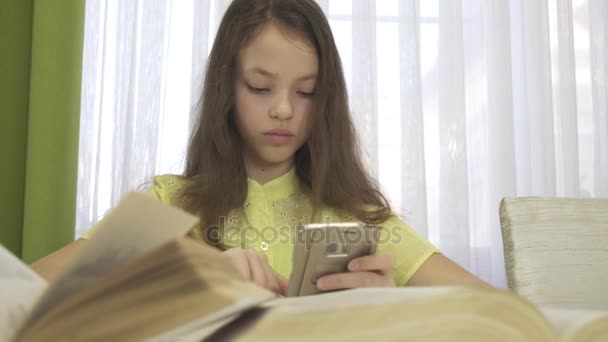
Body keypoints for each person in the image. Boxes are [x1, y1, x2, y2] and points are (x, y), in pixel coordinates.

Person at [31, 0, 490, 293]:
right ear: (226, 90)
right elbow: (25, 293)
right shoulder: (167, 205)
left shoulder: (357, 218)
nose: (285, 110)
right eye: (259, 86)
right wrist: (187, 280)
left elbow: (501, 315)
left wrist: (394, 313)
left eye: (307, 92)